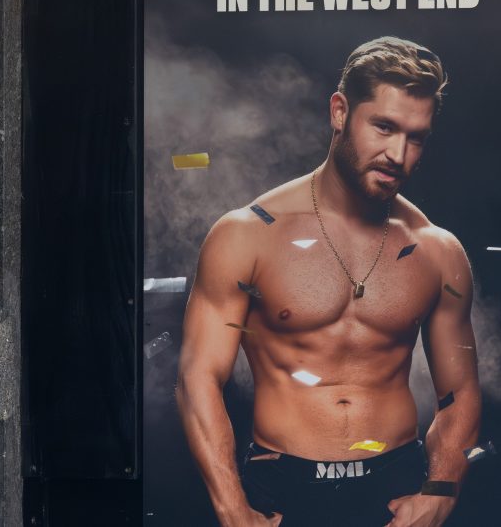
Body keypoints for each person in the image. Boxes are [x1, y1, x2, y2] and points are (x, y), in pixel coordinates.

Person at [176, 37, 481, 527]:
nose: (397, 154)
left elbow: (460, 392)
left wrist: (441, 490)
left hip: (394, 487)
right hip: (280, 486)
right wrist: (233, 509)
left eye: (416, 136)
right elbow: (197, 378)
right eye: (383, 127)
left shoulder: (437, 251)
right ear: (340, 112)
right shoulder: (247, 234)